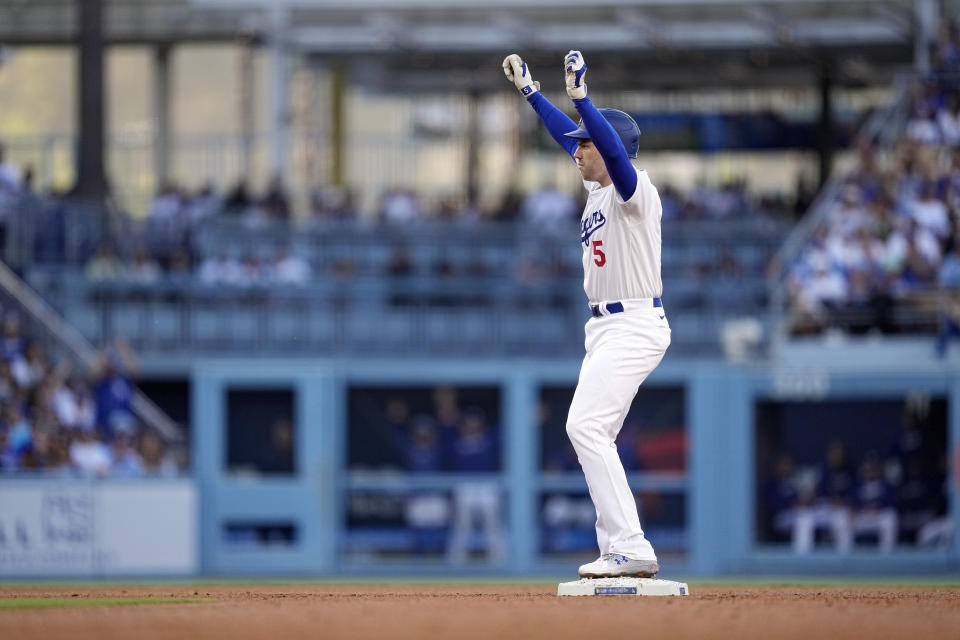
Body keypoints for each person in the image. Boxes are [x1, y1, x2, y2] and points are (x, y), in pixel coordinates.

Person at [503, 50, 669, 579]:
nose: (575, 150)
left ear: (611, 147)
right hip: (604, 328)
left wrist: (583, 99)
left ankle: (631, 546)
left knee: (584, 426)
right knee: (595, 435)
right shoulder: (597, 190)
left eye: (585, 143)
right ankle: (619, 547)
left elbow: (615, 158)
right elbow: (568, 138)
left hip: (635, 323)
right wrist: (532, 93)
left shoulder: (634, 192)